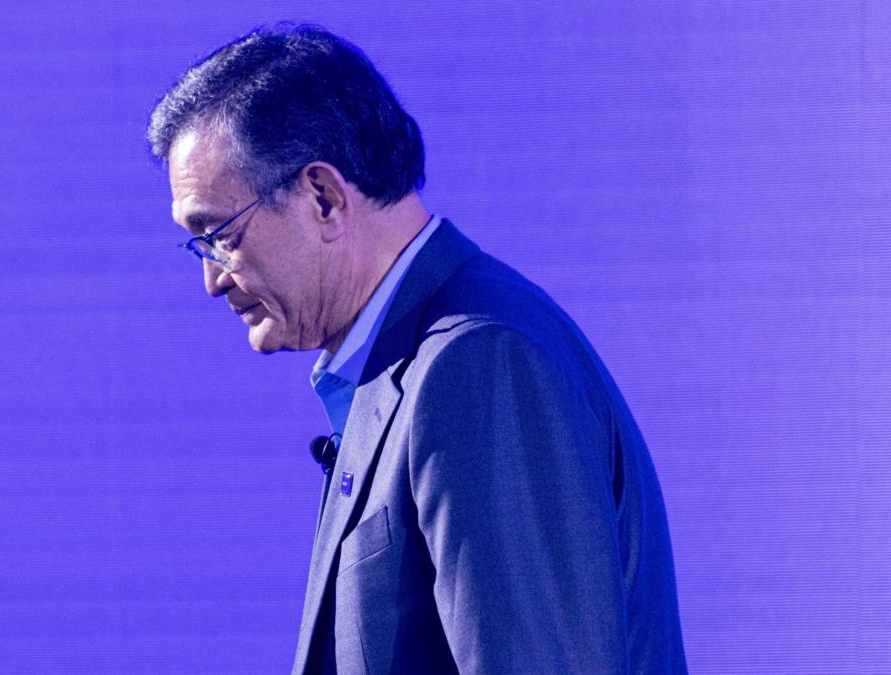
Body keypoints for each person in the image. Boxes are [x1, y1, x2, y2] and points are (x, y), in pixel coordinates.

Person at [147, 23, 687, 674]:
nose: (211, 278)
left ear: (323, 197)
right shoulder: (412, 365)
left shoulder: (478, 363)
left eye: (219, 234)